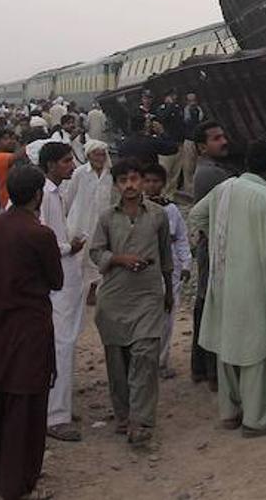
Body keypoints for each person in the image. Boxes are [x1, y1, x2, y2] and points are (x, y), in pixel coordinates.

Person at [187, 140, 266, 437]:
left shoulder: (225, 188)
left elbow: (195, 216)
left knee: (228, 344)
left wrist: (217, 240)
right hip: (256, 284)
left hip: (223, 280)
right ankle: (256, 420)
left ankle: (229, 412)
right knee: (260, 353)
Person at [0, 165, 63, 500]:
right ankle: (19, 480)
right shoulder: (39, 233)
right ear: (37, 195)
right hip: (31, 324)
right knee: (28, 401)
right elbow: (56, 280)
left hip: (1, 323)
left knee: (4, 395)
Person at [89, 159, 174, 447]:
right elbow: (95, 252)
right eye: (123, 180)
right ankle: (123, 415)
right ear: (115, 185)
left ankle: (141, 421)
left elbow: (165, 255)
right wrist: (119, 259)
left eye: (134, 179)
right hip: (114, 298)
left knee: (146, 355)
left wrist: (169, 290)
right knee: (118, 362)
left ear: (142, 181)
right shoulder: (106, 218)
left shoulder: (158, 215)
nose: (129, 185)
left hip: (148, 295)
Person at [37, 140, 84, 441]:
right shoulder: (43, 195)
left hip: (65, 277)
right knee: (61, 343)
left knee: (64, 342)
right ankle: (56, 416)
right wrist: (71, 246)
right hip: (58, 279)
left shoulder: (55, 192)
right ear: (51, 164)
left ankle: (60, 405)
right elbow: (44, 240)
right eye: (67, 161)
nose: (72, 166)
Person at [189, 120, 232, 386]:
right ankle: (210, 370)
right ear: (202, 146)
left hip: (209, 246)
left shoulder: (210, 170)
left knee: (205, 302)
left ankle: (201, 367)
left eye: (223, 136)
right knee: (209, 304)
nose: (224, 141)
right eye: (216, 138)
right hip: (212, 248)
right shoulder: (212, 174)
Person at [138, 163, 191, 377]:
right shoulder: (136, 208)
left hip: (169, 269)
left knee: (167, 316)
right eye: (148, 181)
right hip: (142, 268)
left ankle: (161, 361)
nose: (152, 185)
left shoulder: (171, 209)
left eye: (156, 181)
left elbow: (181, 238)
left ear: (163, 183)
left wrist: (186, 263)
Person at [65, 138, 115, 304]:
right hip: (80, 220)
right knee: (78, 256)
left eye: (102, 154)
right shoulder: (80, 173)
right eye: (96, 154)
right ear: (88, 155)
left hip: (101, 222)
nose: (99, 158)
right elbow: (69, 196)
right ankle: (74, 290)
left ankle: (93, 289)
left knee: (97, 255)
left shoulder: (110, 175)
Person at [117, 112, 181, 168]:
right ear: (145, 126)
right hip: (148, 175)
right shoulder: (151, 142)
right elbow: (173, 148)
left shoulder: (124, 143)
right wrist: (162, 132)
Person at [152, 90, 186, 190]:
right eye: (172, 96)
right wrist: (169, 106)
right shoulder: (162, 108)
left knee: (175, 172)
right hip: (165, 145)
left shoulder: (178, 108)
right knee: (165, 171)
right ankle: (161, 193)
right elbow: (162, 118)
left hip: (177, 143)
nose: (174, 97)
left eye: (175, 95)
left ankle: (171, 195)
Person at [0, 130, 19, 210]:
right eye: (5, 139)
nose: (10, 141)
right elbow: (16, 157)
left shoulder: (3, 156)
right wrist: (31, 147)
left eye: (10, 139)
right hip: (3, 203)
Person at [180, 92, 205, 188]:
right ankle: (188, 188)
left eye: (194, 100)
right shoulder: (184, 112)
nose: (192, 103)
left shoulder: (199, 111)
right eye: (190, 101)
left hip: (198, 140)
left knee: (198, 165)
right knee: (188, 167)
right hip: (189, 140)